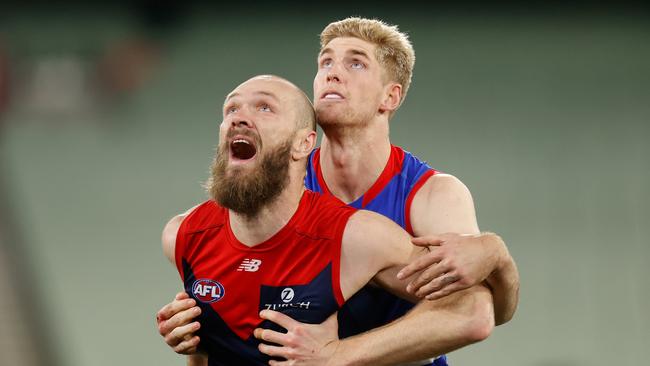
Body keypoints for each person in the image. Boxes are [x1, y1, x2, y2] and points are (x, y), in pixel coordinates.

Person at [157, 18, 520, 365]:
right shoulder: (281, 182)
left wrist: (496, 255)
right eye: (325, 61)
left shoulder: (432, 196)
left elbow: (482, 312)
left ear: (390, 97)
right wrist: (199, 326)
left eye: (356, 64)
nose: (332, 71)